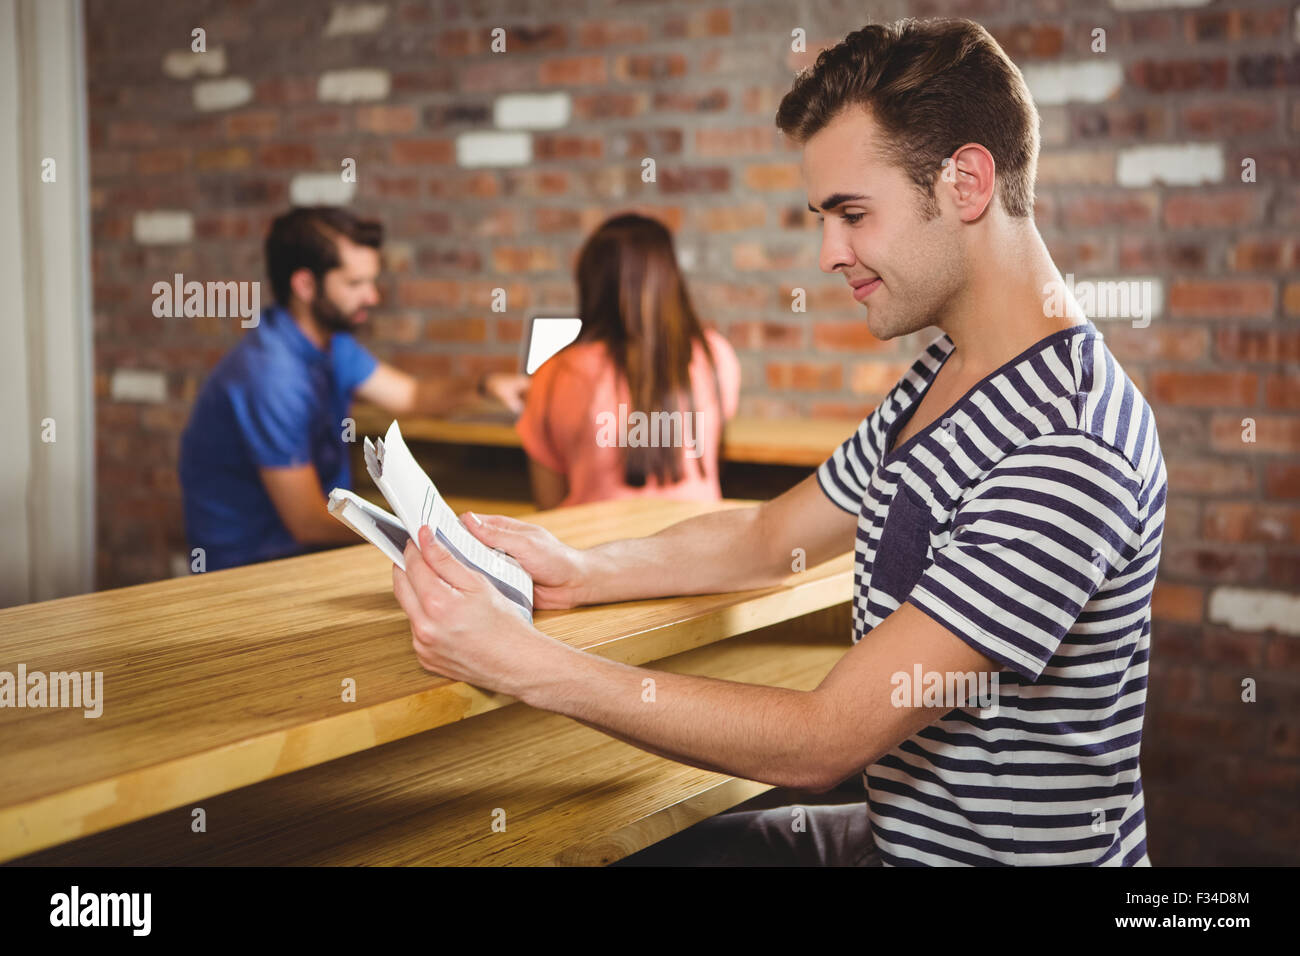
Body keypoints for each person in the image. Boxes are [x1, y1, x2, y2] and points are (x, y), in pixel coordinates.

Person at [389, 18, 1165, 866]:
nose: (830, 253)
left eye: (853, 214)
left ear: (966, 182)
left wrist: (528, 665)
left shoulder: (1068, 443)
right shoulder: (947, 373)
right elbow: (768, 538)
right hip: (896, 838)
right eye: (821, 217)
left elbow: (821, 743)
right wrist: (587, 573)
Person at [179, 206, 527, 571]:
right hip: (251, 570)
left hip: (311, 552)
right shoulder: (272, 376)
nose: (373, 297)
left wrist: (486, 386)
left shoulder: (332, 345)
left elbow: (411, 396)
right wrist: (427, 536)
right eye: (355, 283)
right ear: (305, 285)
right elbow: (308, 522)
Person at [514, 213, 740, 509]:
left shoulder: (554, 374)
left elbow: (548, 508)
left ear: (590, 282)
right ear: (670, 279)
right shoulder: (715, 357)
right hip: (694, 547)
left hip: (592, 549)